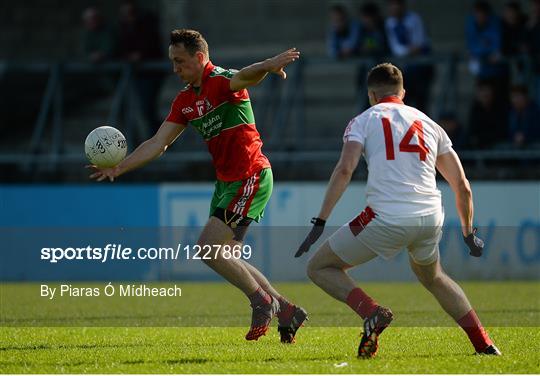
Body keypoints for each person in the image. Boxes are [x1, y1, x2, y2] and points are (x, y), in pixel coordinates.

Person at [88, 29, 307, 343]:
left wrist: (269, 64)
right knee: (227, 254)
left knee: (207, 248)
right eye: (172, 62)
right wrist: (120, 167)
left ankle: (262, 301)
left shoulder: (221, 81)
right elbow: (158, 142)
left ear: (199, 58)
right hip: (227, 184)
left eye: (179, 61)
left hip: (251, 176)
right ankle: (287, 311)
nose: (175, 68)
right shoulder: (186, 100)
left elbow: (245, 75)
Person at [295, 63, 501, 358]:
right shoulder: (429, 123)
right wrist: (469, 234)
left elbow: (345, 170)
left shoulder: (363, 120)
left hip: (385, 217)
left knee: (319, 267)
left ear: (371, 95)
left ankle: (372, 312)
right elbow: (463, 186)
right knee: (435, 277)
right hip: (430, 217)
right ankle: (484, 344)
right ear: (402, 92)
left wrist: (320, 221)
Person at [384, 0, 433, 112]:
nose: (395, 10)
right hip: (405, 67)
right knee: (406, 101)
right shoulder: (390, 23)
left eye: (397, 6)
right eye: (392, 7)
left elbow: (419, 42)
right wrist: (408, 50)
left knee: (421, 102)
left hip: (421, 66)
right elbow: (396, 48)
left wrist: (413, 49)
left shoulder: (414, 19)